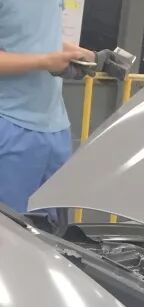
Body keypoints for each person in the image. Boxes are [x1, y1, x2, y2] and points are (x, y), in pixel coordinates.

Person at [0, 0, 95, 215]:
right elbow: (41, 52)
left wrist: (89, 56)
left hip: (55, 130)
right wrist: (44, 61)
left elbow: (37, 38)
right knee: (8, 230)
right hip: (9, 125)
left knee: (52, 231)